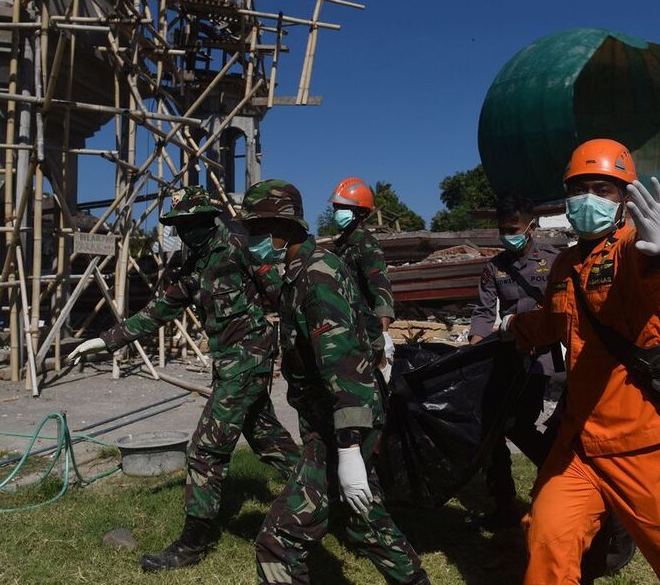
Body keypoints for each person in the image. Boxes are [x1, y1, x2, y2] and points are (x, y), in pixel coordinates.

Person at [502, 139, 660, 584]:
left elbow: (656, 264)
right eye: (579, 188)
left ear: (624, 198)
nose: (589, 198)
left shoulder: (631, 248)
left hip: (644, 447)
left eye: (602, 189)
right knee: (547, 540)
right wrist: (512, 328)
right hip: (579, 447)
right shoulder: (565, 265)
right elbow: (557, 321)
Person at [67, 186, 299, 572]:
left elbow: (284, 296)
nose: (185, 232)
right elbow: (161, 309)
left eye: (191, 224)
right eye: (179, 226)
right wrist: (106, 340)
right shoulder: (195, 263)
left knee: (205, 450)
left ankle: (193, 543)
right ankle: (326, 495)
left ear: (208, 219)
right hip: (229, 363)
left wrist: (305, 349)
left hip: (248, 359)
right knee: (267, 438)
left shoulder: (240, 246)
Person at [240, 179, 428, 585]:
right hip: (334, 420)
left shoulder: (316, 277)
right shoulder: (298, 272)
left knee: (280, 540)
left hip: (342, 424)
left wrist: (348, 451)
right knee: (363, 518)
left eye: (256, 230)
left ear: (283, 228)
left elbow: (344, 368)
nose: (250, 240)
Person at [468, 195, 562, 527]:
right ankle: (503, 502)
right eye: (503, 229)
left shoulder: (553, 262)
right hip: (505, 356)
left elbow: (562, 311)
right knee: (492, 430)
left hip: (539, 359)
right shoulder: (494, 267)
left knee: (521, 425)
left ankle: (555, 485)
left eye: (514, 229)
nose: (508, 235)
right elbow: (483, 312)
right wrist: (474, 350)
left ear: (530, 228)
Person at [327, 177, 397, 373]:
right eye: (336, 207)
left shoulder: (366, 245)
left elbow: (380, 287)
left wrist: (383, 335)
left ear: (360, 212)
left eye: (343, 207)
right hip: (347, 327)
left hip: (366, 330)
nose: (337, 212)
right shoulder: (341, 246)